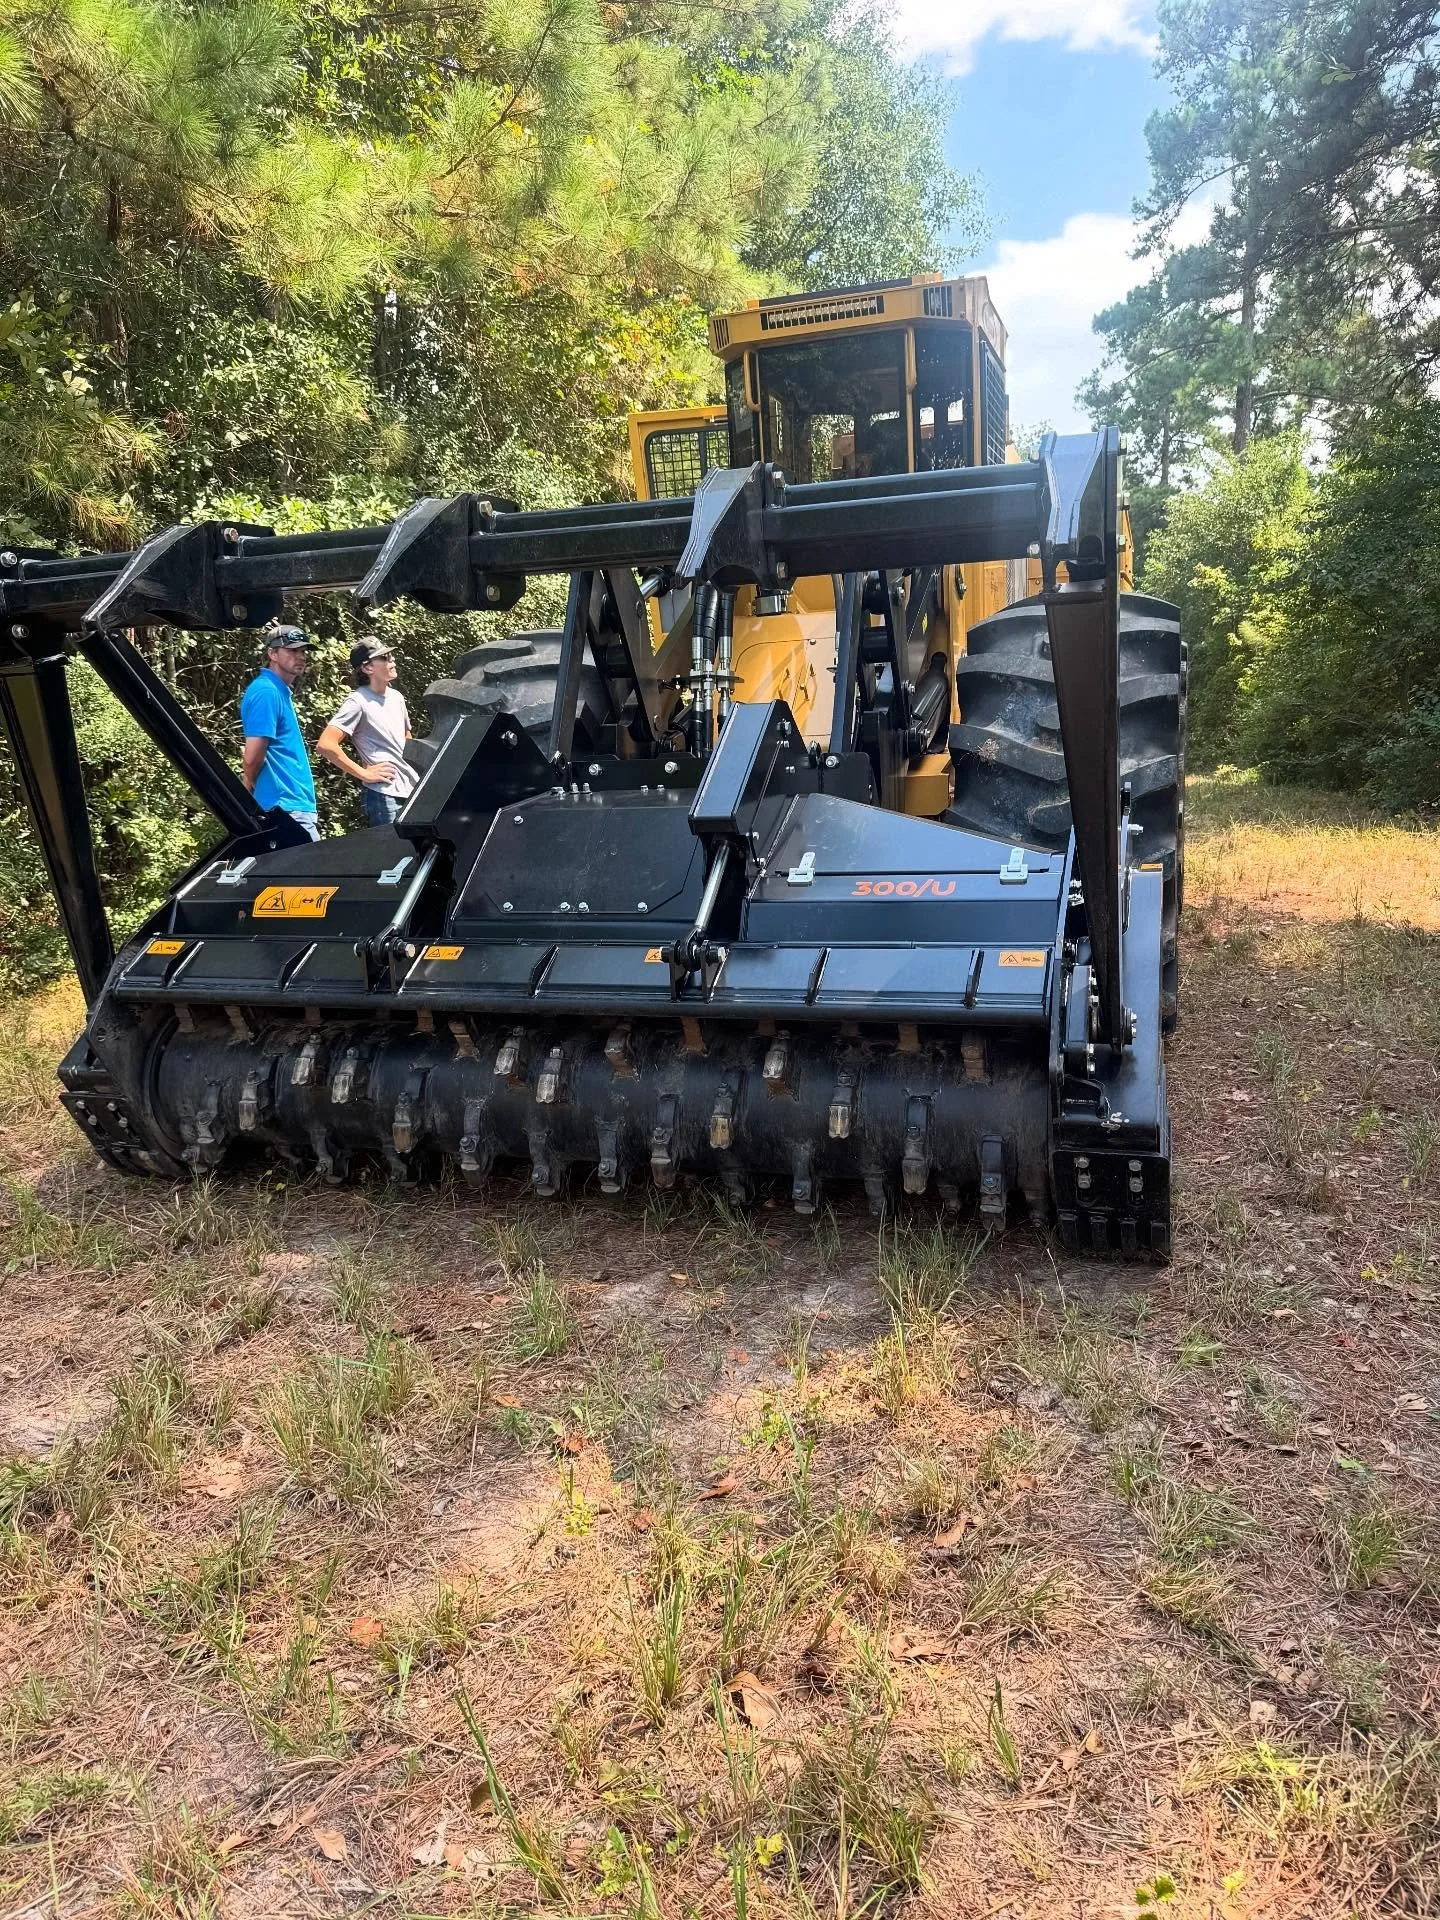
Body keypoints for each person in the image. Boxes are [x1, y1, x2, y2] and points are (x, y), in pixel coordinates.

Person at [316, 638, 417, 827]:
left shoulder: (397, 697)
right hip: (384, 794)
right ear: (368, 668)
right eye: (385, 658)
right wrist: (364, 774)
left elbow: (407, 740)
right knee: (390, 853)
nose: (393, 661)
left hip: (411, 790)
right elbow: (326, 744)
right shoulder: (357, 702)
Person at [239, 624, 320, 839]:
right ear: (272, 653)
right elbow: (253, 756)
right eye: (293, 650)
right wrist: (247, 789)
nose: (300, 656)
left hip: (292, 807)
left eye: (303, 651)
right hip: (285, 808)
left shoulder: (278, 691)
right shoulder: (267, 691)